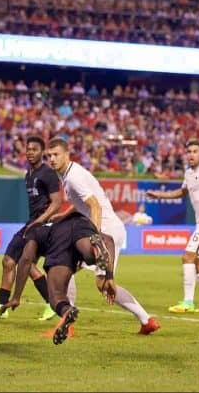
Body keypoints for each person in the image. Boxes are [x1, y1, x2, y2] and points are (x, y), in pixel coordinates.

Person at [40, 138, 160, 335]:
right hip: (108, 229)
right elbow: (82, 202)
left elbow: (94, 206)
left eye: (56, 155)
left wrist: (94, 237)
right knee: (90, 278)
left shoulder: (73, 177)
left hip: (106, 230)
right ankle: (147, 321)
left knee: (66, 265)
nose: (52, 159)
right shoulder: (69, 174)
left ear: (66, 154)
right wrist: (65, 214)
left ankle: (67, 326)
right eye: (49, 156)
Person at [1, 206, 117, 345]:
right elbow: (110, 240)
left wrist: (16, 297)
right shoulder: (56, 221)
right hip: (81, 222)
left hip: (58, 240)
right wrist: (109, 277)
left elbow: (25, 260)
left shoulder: (32, 231)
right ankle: (95, 248)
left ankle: (67, 311)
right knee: (90, 257)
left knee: (56, 296)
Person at [0, 136, 61, 321]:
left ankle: (49, 304)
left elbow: (56, 204)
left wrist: (39, 221)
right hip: (32, 223)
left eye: (34, 149)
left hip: (42, 225)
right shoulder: (29, 174)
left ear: (42, 152)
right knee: (10, 261)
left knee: (24, 263)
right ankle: (2, 307)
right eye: (28, 149)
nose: (30, 152)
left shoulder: (48, 173)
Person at [148, 140, 199, 313]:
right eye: (189, 151)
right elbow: (181, 192)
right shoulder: (188, 174)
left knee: (187, 257)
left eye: (195, 151)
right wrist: (159, 195)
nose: (191, 154)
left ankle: (187, 302)